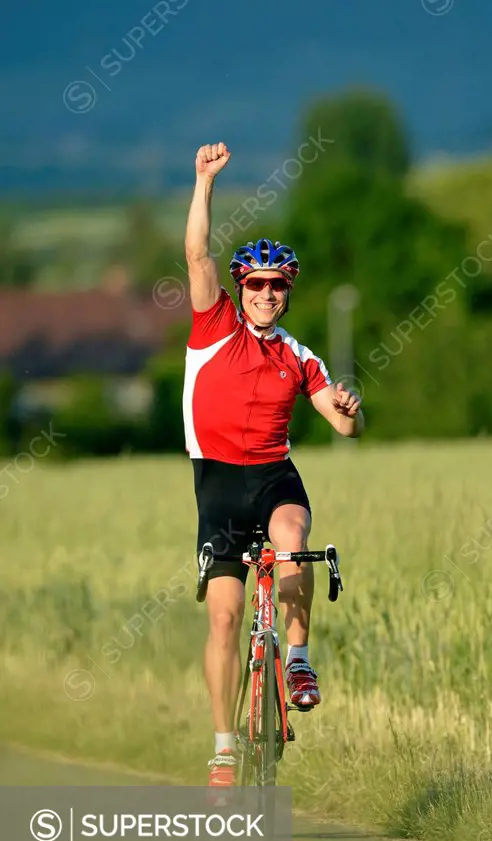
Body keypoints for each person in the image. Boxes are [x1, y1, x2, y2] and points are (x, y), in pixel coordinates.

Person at [183, 142, 364, 789]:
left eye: (276, 285)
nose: (265, 294)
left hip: (271, 476)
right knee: (227, 618)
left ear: (288, 292)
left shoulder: (300, 355)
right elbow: (197, 256)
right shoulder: (215, 328)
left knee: (293, 539)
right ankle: (225, 748)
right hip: (218, 481)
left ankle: (297, 659)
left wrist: (351, 405)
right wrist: (204, 182)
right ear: (242, 288)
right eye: (255, 284)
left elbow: (342, 424)